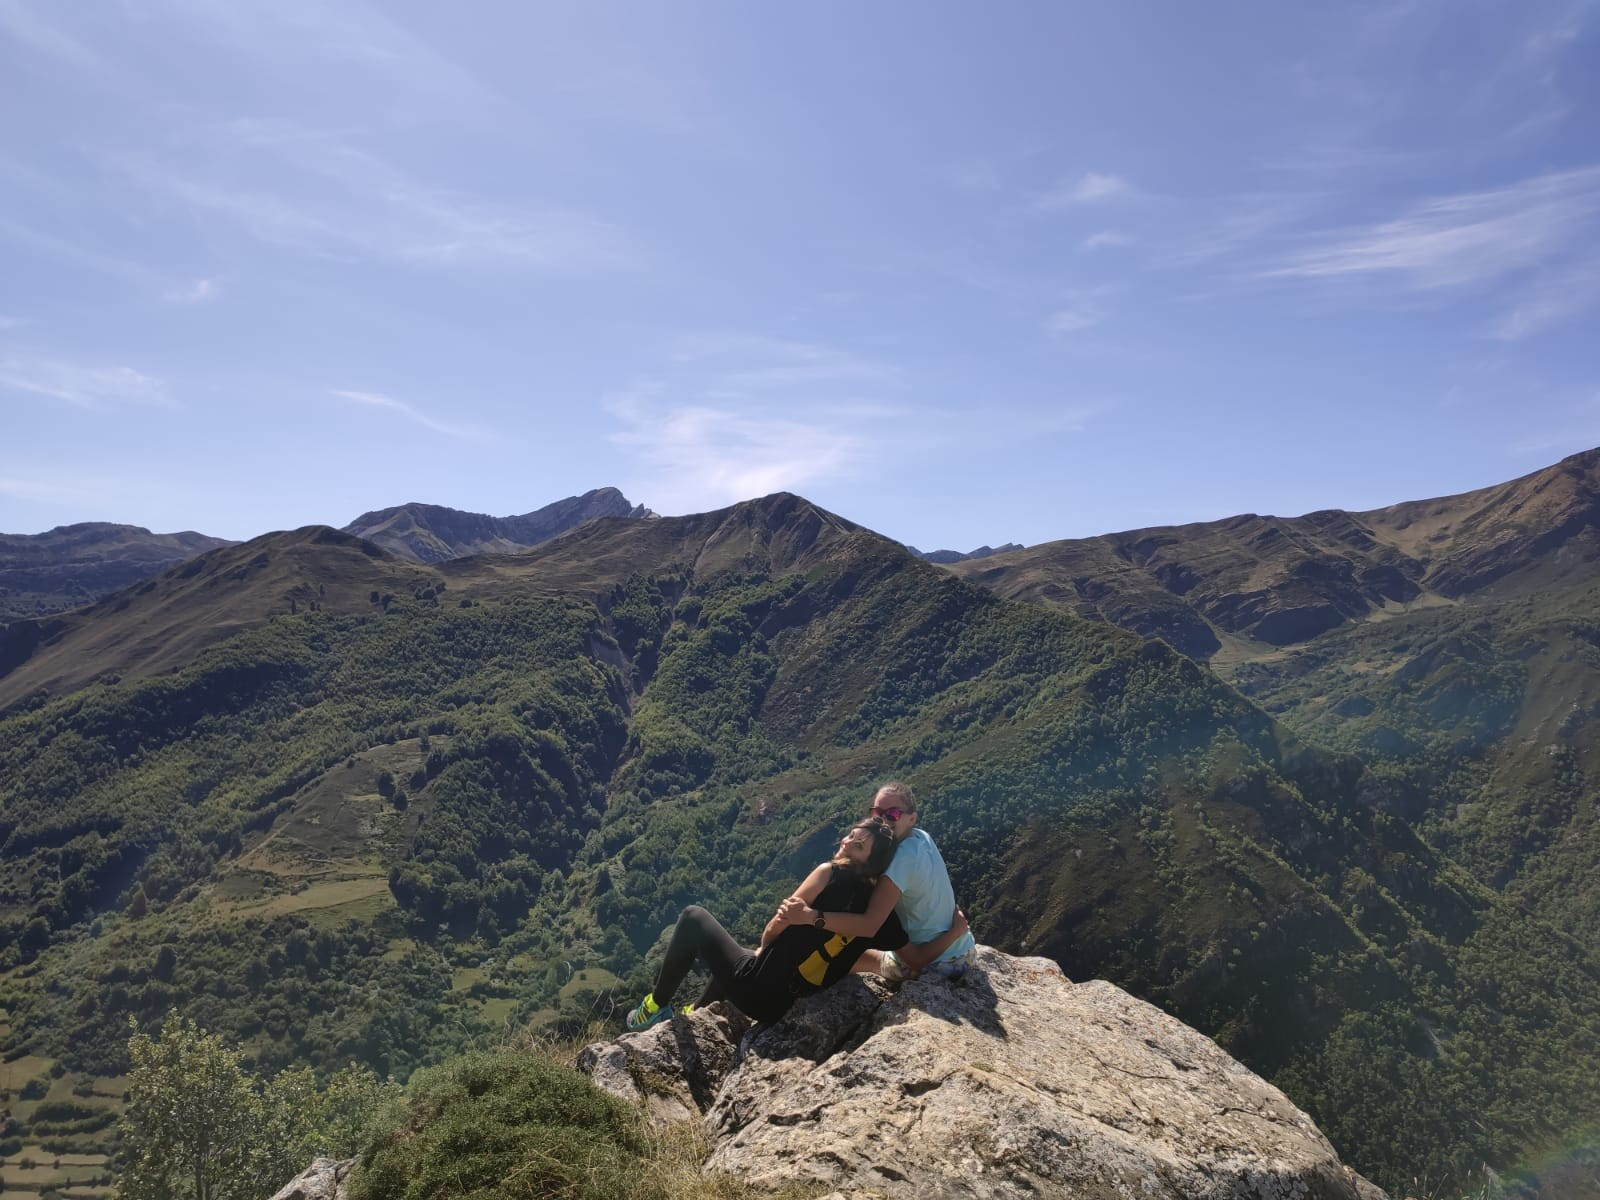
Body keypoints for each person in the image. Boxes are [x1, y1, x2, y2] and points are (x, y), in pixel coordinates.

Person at [626, 817, 965, 1030]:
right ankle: (697, 1012)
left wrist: (766, 950)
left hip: (757, 995)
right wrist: (955, 932)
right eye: (851, 835)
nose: (847, 842)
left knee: (693, 918)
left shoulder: (827, 873)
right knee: (735, 955)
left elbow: (774, 928)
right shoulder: (881, 917)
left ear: (869, 860)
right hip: (785, 1002)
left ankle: (655, 1008)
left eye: (858, 844)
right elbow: (918, 962)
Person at [777, 781, 976, 981]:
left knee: (837, 957)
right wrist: (957, 931)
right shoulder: (922, 838)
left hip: (938, 964)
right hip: (965, 951)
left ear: (911, 818)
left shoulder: (899, 861)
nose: (883, 820)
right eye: (877, 812)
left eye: (893, 814)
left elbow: (870, 924)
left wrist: (812, 917)